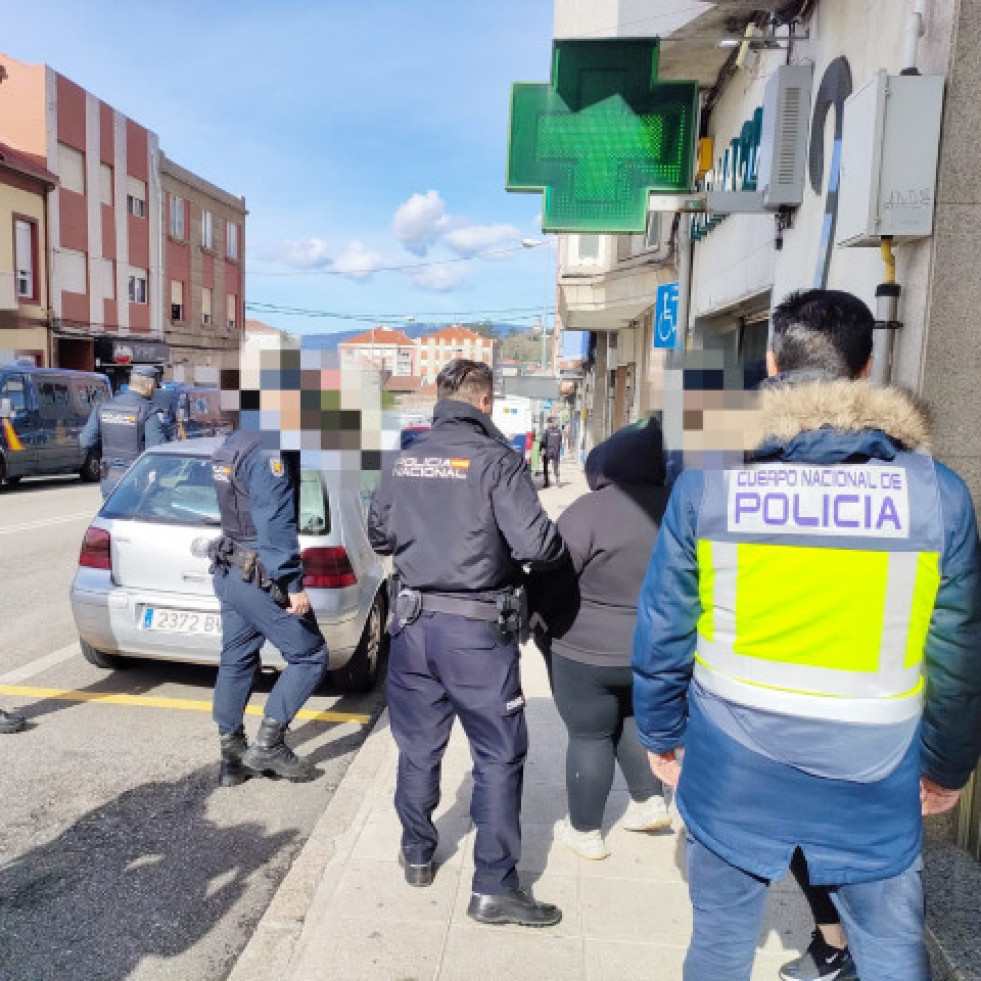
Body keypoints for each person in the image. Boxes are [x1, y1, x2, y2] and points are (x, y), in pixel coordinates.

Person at [632, 288, 981, 981]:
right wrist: (946, 766)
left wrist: (660, 734)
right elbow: (958, 648)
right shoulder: (933, 493)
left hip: (731, 757)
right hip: (872, 765)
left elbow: (664, 622)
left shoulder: (711, 481)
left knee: (720, 942)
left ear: (769, 362)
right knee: (887, 948)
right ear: (865, 369)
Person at [367, 359, 567, 927]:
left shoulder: (404, 459)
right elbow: (539, 545)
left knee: (417, 748)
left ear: (439, 399)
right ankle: (495, 886)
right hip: (476, 636)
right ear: (485, 402)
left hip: (412, 628)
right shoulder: (496, 462)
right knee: (499, 755)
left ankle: (416, 854)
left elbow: (379, 532)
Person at [528, 418, 672, 861]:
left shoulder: (591, 510)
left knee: (590, 734)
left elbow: (552, 572)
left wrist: (539, 622)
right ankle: (648, 801)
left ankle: (585, 831)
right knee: (630, 718)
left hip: (585, 646)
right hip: (653, 648)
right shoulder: (677, 506)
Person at [208, 430, 328, 785]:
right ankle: (268, 745)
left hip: (232, 568)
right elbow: (274, 521)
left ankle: (232, 757)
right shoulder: (268, 449)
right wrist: (292, 584)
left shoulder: (236, 439)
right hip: (259, 574)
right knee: (310, 656)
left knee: (237, 657)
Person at [80, 365, 172, 498]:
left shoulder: (103, 406)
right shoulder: (149, 411)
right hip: (137, 482)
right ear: (150, 386)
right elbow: (157, 450)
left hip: (109, 480)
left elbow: (85, 441)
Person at [541, 416, 562, 488]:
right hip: (556, 452)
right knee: (556, 467)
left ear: (548, 423)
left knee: (545, 467)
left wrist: (541, 449)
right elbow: (560, 441)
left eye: (548, 423)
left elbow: (543, 442)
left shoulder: (547, 432)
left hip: (548, 451)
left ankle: (547, 483)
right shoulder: (558, 431)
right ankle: (558, 482)